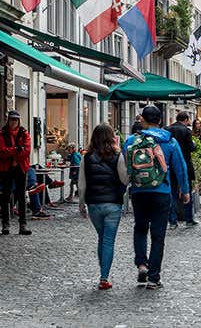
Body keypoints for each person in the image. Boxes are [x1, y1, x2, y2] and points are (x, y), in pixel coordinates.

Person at [123, 106, 190, 290]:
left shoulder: (131, 141)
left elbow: (124, 165)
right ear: (160, 121)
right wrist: (184, 191)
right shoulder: (169, 141)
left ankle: (142, 264)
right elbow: (180, 167)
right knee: (158, 235)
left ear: (142, 120)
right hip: (162, 191)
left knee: (140, 228)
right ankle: (153, 278)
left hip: (139, 191)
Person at [77, 124, 129, 290]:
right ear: (111, 137)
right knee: (107, 240)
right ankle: (104, 277)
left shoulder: (87, 157)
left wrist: (81, 204)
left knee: (102, 238)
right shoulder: (117, 155)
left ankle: (103, 273)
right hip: (113, 204)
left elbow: (82, 183)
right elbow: (125, 180)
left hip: (94, 204)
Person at [0, 110, 32, 235]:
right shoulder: (2, 133)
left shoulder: (24, 133)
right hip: (5, 168)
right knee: (5, 196)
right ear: (8, 120)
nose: (13, 122)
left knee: (21, 196)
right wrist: (17, 149)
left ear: (19, 121)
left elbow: (27, 150)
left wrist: (15, 157)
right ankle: (5, 224)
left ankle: (23, 224)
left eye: (15, 120)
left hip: (21, 167)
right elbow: (2, 151)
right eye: (12, 119)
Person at [167, 112, 198, 227]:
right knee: (187, 190)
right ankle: (189, 219)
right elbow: (191, 147)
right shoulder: (186, 131)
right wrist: (194, 144)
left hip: (170, 165)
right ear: (185, 120)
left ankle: (173, 221)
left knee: (172, 192)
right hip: (184, 163)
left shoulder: (168, 129)